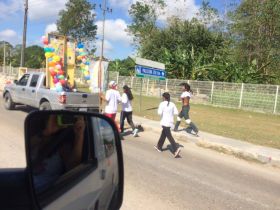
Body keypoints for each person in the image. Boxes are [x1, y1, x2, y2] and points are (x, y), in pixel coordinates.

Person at [30, 115, 85, 192]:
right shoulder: (36, 138)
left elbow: (73, 168)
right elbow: (24, 147)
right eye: (53, 118)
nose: (57, 121)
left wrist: (79, 135)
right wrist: (46, 133)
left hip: (44, 193)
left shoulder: (62, 145)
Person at [154, 92, 181, 158]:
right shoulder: (172, 104)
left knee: (169, 136)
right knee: (163, 134)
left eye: (162, 97)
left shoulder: (162, 104)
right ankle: (159, 147)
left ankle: (175, 150)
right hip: (170, 123)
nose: (162, 98)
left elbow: (159, 113)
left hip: (164, 123)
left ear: (164, 97)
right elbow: (176, 112)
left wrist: (161, 109)